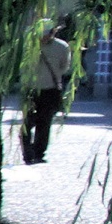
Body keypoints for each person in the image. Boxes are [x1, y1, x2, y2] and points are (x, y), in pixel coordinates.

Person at [23, 21, 77, 166]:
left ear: (52, 33)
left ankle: (39, 153)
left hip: (50, 89)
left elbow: (64, 67)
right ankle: (28, 153)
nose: (43, 38)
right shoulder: (28, 45)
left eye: (46, 34)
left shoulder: (62, 47)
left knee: (44, 122)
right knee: (27, 123)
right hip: (30, 89)